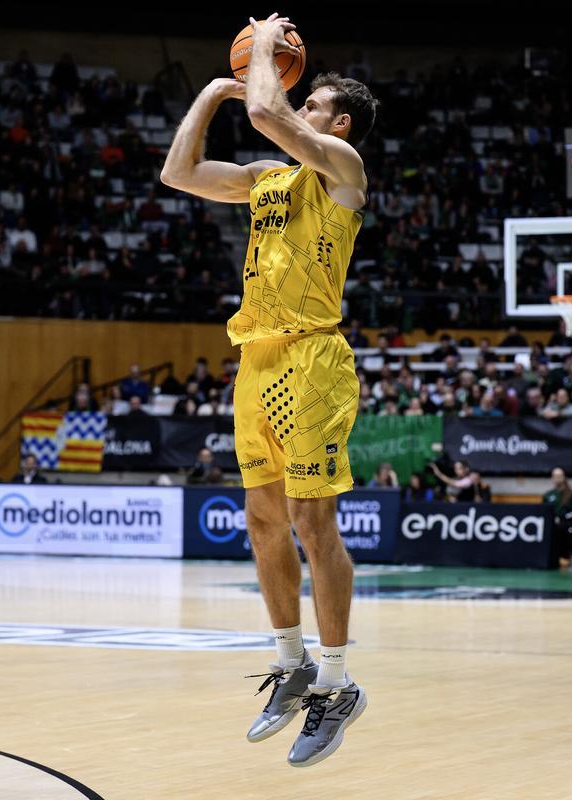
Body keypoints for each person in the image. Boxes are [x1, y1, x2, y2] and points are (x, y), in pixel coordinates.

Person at [161, 14, 374, 765]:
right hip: (254, 361)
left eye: (309, 101)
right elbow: (178, 173)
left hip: (313, 360)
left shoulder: (341, 164)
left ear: (336, 120)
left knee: (314, 528)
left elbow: (264, 113)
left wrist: (258, 59)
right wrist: (213, 91)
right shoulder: (266, 181)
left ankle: (340, 683)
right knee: (260, 522)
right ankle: (292, 665)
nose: (295, 102)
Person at [543, 467, 572, 565]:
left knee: (569, 530)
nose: (557, 478)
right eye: (555, 476)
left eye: (560, 476)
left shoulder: (571, 494)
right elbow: (544, 511)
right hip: (552, 524)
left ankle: (570, 556)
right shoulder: (547, 495)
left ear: (564, 477)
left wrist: (562, 518)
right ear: (552, 478)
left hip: (567, 524)